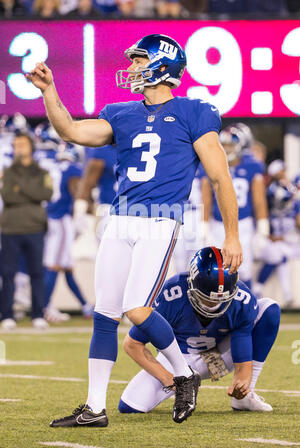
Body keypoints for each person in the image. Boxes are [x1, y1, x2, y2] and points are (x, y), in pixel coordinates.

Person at [27, 33, 242, 426]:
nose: (131, 69)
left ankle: (183, 373)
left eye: (140, 61)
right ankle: (94, 408)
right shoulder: (120, 112)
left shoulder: (195, 112)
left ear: (162, 65)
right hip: (119, 218)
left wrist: (232, 234)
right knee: (105, 314)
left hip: (160, 220)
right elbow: (72, 131)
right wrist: (49, 91)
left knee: (136, 309)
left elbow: (220, 177)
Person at [119, 246, 281, 414]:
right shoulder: (172, 294)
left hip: (219, 355)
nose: (215, 305)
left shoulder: (242, 299)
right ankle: (184, 378)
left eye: (222, 299)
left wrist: (243, 381)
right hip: (178, 360)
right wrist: (170, 379)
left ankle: (246, 398)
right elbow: (132, 344)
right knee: (130, 406)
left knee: (268, 309)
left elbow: (242, 341)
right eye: (207, 299)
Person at [201, 123, 269, 289]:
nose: (227, 149)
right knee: (214, 269)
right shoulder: (213, 163)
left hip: (243, 223)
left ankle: (245, 307)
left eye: (231, 145)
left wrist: (262, 227)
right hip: (217, 223)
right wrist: (203, 224)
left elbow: (259, 199)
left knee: (243, 270)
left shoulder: (252, 165)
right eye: (224, 145)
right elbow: (206, 198)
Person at [0, 133, 53, 330]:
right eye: (15, 145)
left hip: (35, 227)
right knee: (7, 273)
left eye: (22, 144)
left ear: (31, 147)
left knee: (36, 272)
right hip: (10, 228)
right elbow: (7, 196)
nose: (18, 148)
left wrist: (19, 188)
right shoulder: (8, 170)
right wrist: (30, 193)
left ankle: (38, 314)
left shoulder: (41, 172)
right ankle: (7, 314)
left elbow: (45, 194)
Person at [43, 142, 94, 322]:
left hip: (49, 217)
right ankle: (44, 305)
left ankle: (85, 305)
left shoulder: (54, 166)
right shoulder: (72, 169)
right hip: (61, 219)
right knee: (55, 265)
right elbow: (76, 190)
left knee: (66, 266)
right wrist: (86, 208)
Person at [253, 161, 300, 308]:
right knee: (278, 256)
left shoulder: (291, 195)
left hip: (291, 239)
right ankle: (285, 295)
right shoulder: (272, 193)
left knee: (281, 257)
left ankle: (286, 295)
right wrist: (269, 234)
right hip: (278, 240)